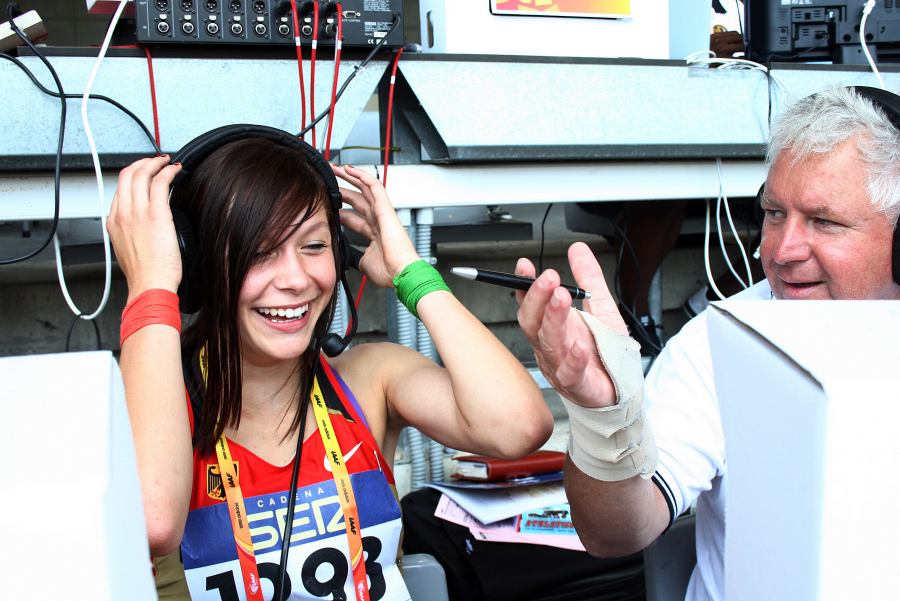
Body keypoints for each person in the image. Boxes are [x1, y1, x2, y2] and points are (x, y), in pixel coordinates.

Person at [107, 135, 553, 600]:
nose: (296, 279)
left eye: (315, 245)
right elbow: (153, 523)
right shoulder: (153, 408)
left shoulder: (369, 379)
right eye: (258, 252)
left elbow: (519, 427)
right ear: (196, 265)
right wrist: (152, 285)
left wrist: (411, 271)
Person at [514, 85, 900, 601]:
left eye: (823, 221)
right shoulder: (719, 344)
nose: (781, 250)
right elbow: (616, 533)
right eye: (775, 213)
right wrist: (604, 419)